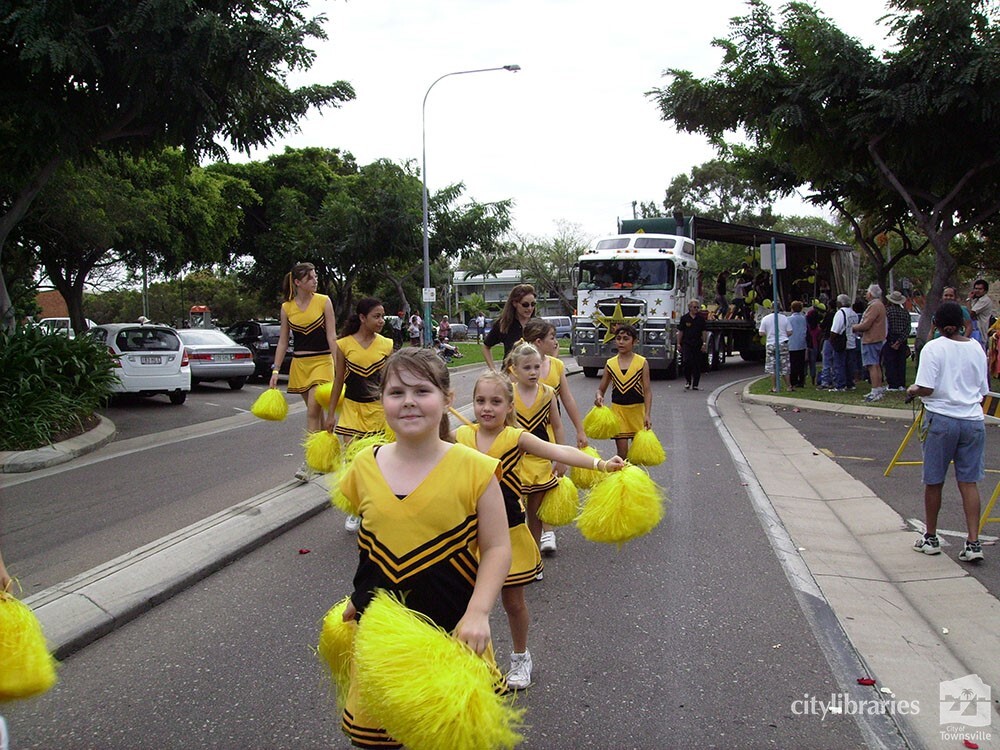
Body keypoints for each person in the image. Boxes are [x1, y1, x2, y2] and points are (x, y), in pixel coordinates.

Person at [337, 349, 511, 746]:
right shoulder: (363, 465)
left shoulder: (475, 468)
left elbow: (498, 547)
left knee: (444, 737)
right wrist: (358, 595)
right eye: (396, 392)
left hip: (452, 633)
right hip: (381, 635)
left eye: (422, 390)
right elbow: (373, 541)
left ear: (448, 399)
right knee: (376, 738)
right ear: (381, 400)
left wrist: (479, 613)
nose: (409, 401)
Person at [456, 371, 624, 690]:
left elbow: (559, 452)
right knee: (466, 603)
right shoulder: (462, 437)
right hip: (468, 535)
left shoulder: (516, 437)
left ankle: (521, 657)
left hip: (508, 532)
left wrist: (601, 465)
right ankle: (471, 661)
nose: (486, 408)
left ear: (509, 406)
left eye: (495, 401)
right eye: (480, 401)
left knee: (513, 602)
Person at [908, 302, 989, 563]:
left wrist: (912, 390)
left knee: (934, 480)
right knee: (969, 481)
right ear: (965, 323)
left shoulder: (934, 348)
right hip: (973, 419)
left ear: (936, 325)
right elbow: (982, 388)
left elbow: (927, 388)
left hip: (941, 419)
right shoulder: (976, 347)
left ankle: (930, 536)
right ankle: (973, 541)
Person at [327, 297, 394, 533]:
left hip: (377, 411)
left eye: (383, 316)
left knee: (378, 462)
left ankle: (375, 507)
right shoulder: (343, 345)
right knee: (353, 461)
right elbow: (338, 381)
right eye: (376, 316)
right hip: (352, 410)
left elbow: (389, 381)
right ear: (363, 318)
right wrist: (330, 414)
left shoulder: (387, 344)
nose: (381, 321)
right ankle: (354, 509)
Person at [523, 318, 588, 555]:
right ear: (538, 342)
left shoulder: (557, 366)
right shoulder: (517, 367)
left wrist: (579, 430)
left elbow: (567, 399)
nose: (556, 341)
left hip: (549, 431)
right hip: (524, 435)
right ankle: (528, 534)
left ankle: (545, 530)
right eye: (552, 337)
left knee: (545, 484)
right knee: (524, 486)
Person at [270, 262, 337, 482]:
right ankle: (326, 458)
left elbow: (332, 336)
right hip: (300, 364)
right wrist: (276, 369)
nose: (315, 280)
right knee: (316, 414)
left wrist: (340, 365)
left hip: (322, 361)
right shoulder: (287, 308)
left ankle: (309, 462)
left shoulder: (324, 301)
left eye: (315, 276)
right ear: (298, 282)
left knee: (312, 412)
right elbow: (282, 341)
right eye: (310, 278)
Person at [505, 343, 563, 550]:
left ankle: (534, 555)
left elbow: (556, 425)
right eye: (527, 368)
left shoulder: (548, 393)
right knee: (513, 511)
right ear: (514, 369)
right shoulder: (507, 394)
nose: (533, 372)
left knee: (535, 512)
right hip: (513, 462)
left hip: (540, 461)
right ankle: (515, 554)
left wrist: (561, 458)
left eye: (537, 367)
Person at [594, 324, 652, 460]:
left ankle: (634, 480)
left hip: (637, 412)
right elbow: (601, 389)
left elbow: (647, 391)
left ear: (634, 341)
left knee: (636, 457)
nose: (621, 342)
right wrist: (598, 397)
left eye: (626, 338)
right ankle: (621, 480)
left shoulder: (642, 363)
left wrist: (647, 414)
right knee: (622, 455)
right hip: (618, 413)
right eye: (618, 338)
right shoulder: (610, 364)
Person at [482, 284, 537, 370]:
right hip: (509, 377)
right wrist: (493, 370)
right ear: (515, 303)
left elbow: (554, 345)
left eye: (533, 304)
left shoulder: (538, 324)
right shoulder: (504, 324)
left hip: (534, 377)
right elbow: (486, 346)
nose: (530, 308)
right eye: (525, 305)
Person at [853, 284, 887, 402]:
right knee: (876, 365)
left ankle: (875, 390)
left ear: (871, 294)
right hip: (878, 338)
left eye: (867, 292)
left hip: (871, 339)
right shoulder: (880, 305)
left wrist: (854, 327)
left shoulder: (873, 306)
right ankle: (878, 388)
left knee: (871, 365)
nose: (866, 294)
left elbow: (867, 324)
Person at [758, 303, 793, 392]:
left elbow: (761, 332)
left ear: (771, 308)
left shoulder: (765, 319)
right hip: (782, 343)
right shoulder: (784, 318)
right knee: (785, 366)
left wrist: (769, 333)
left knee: (772, 366)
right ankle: (788, 386)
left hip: (770, 343)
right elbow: (790, 332)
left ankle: (774, 387)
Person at [676, 299, 708, 391]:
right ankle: (688, 381)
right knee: (686, 362)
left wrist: (704, 343)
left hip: (697, 343)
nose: (696, 309)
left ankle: (695, 384)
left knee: (697, 364)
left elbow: (704, 332)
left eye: (697, 307)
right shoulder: (684, 318)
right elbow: (680, 331)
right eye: (694, 307)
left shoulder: (701, 319)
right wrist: (678, 343)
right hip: (687, 343)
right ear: (690, 308)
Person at [883, 290, 911, 392]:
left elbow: (886, 327)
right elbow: (908, 328)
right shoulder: (905, 313)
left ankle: (893, 384)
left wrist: (891, 341)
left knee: (890, 362)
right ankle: (901, 384)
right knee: (901, 362)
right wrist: (900, 341)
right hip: (902, 340)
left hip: (891, 338)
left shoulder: (887, 312)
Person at [967, 278, 994, 350]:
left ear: (985, 290)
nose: (977, 291)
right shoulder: (976, 300)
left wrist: (968, 299)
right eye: (976, 288)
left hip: (980, 332)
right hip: (974, 331)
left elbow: (971, 313)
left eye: (980, 289)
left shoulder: (985, 300)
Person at [787, 300, 808, 389]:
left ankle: (793, 381)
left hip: (792, 343)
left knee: (793, 363)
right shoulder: (804, 318)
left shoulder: (789, 319)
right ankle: (801, 381)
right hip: (802, 343)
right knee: (801, 363)